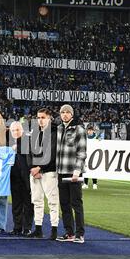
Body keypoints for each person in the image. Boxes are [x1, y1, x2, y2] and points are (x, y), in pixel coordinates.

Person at [56, 104, 87, 243]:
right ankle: (69, 233)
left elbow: (82, 152)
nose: (65, 114)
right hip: (61, 171)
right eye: (63, 112)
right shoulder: (59, 128)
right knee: (64, 204)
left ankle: (80, 234)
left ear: (72, 114)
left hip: (74, 172)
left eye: (68, 112)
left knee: (76, 203)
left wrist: (77, 171)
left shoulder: (79, 129)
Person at [27, 108, 59, 240]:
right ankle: (38, 229)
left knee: (52, 201)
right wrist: (32, 168)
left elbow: (52, 153)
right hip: (35, 172)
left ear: (49, 118)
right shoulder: (35, 132)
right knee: (37, 200)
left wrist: (39, 167)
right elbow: (28, 152)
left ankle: (54, 230)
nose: (40, 120)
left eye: (43, 117)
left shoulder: (54, 132)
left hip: (49, 171)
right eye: (38, 117)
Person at [9, 121, 33, 236]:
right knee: (16, 203)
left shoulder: (27, 141)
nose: (15, 132)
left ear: (22, 130)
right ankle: (17, 227)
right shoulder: (9, 144)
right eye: (13, 130)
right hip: (14, 178)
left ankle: (27, 227)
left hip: (26, 178)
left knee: (28, 203)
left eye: (17, 130)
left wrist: (15, 147)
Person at [83, 125, 99, 190]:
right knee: (85, 170)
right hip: (86, 155)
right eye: (88, 130)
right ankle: (86, 184)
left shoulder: (96, 137)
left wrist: (99, 140)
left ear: (93, 131)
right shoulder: (85, 137)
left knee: (93, 170)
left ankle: (94, 184)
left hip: (94, 156)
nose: (89, 131)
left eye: (90, 130)